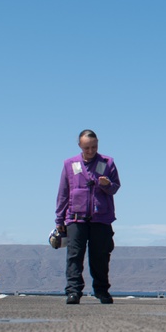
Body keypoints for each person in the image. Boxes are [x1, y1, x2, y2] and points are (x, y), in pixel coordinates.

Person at [55, 129, 121, 305]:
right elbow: (63, 192)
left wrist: (107, 185)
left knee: (100, 256)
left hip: (101, 218)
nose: (91, 151)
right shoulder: (70, 164)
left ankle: (101, 291)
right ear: (80, 146)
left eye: (94, 147)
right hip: (76, 218)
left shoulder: (107, 163)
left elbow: (116, 187)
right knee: (74, 256)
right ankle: (73, 291)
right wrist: (59, 219)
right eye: (87, 148)